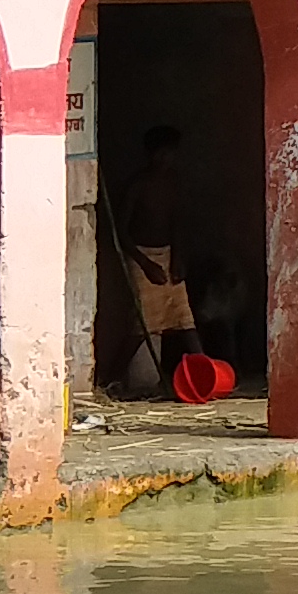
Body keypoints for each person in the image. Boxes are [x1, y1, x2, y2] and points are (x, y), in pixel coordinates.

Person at [105, 123, 204, 398]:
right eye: (161, 154)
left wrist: (178, 258)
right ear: (150, 154)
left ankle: (204, 374)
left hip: (169, 253)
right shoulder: (138, 185)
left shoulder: (175, 184)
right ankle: (109, 380)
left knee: (185, 318)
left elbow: (178, 224)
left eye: (171, 154)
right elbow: (121, 232)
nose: (166, 160)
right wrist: (145, 264)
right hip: (141, 255)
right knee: (143, 324)